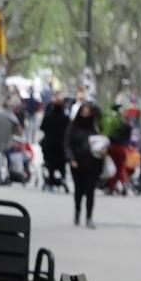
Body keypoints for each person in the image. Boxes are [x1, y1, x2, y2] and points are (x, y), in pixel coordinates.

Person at [65, 99, 103, 227]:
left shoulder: (95, 128)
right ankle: (77, 213)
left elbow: (102, 142)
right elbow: (67, 144)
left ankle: (89, 217)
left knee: (90, 191)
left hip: (93, 163)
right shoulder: (73, 127)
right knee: (78, 190)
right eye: (83, 112)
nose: (85, 115)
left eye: (88, 112)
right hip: (77, 163)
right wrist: (71, 159)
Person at [39, 95, 70, 191]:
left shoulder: (48, 116)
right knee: (62, 164)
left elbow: (42, 127)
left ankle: (51, 182)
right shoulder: (65, 118)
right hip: (61, 145)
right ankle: (63, 179)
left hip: (50, 144)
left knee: (51, 164)